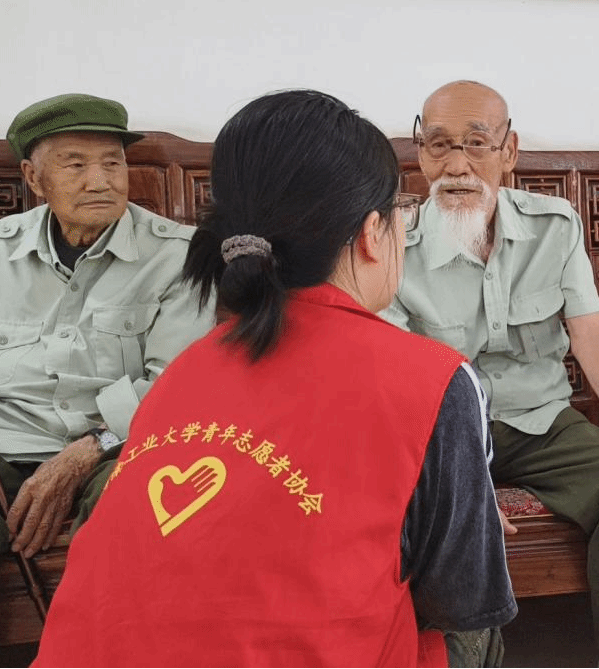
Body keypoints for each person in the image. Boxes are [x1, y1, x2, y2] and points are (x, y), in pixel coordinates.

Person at [32, 89, 516, 667]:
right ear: (372, 232)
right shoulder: (433, 379)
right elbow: (461, 600)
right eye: (400, 213)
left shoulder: (186, 370)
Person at [380, 80, 599, 668]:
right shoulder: (394, 244)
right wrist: (459, 481)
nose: (456, 166)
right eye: (440, 145)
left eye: (476, 144)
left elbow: (591, 331)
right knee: (434, 520)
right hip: (441, 436)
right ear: (420, 153)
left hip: (543, 421)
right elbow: (395, 376)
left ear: (509, 150)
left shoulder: (555, 225)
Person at [1, 93, 213, 558]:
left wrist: (88, 449)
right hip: (8, 443)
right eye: (75, 165)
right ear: (34, 178)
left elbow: (175, 385)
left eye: (112, 163)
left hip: (117, 447)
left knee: (141, 503)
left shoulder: (181, 257)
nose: (100, 181)